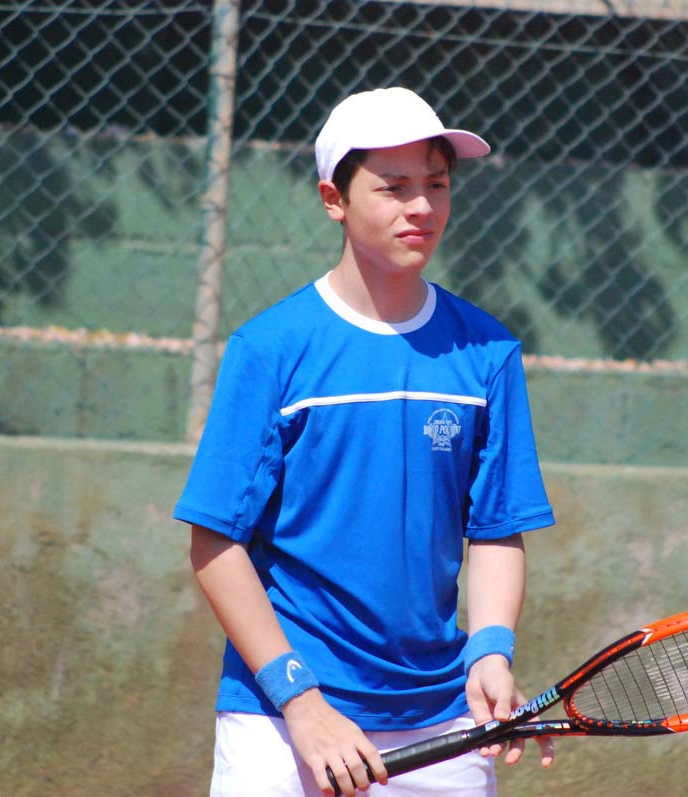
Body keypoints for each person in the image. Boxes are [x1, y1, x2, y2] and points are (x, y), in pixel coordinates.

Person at [174, 86, 556, 797]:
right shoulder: (269, 348)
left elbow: (496, 529)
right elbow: (214, 542)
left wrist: (490, 652)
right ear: (334, 200)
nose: (421, 207)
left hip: (442, 721)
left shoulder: (488, 352)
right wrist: (302, 703)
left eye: (436, 185)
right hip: (280, 719)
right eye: (393, 187)